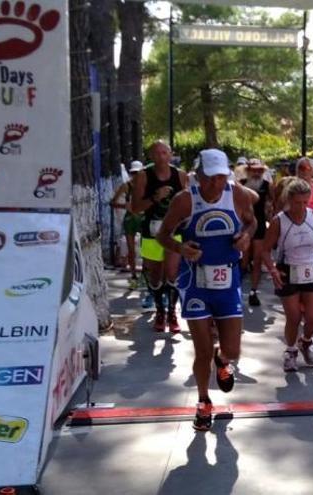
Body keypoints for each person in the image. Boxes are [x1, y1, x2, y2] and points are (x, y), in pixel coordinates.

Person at [156, 148, 257, 432]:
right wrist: (180, 247)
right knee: (201, 350)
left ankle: (223, 361)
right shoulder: (185, 200)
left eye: (221, 177)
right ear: (198, 175)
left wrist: (246, 236)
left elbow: (252, 221)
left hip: (228, 282)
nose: (215, 184)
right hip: (195, 283)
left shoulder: (237, 194)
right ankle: (203, 401)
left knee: (233, 349)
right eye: (210, 178)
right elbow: (162, 234)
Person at [262, 177, 313, 372]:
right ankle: (291, 350)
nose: (301, 207)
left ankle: (306, 341)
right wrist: (273, 269)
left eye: (304, 202)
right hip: (288, 269)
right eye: (296, 202)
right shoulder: (279, 221)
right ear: (288, 200)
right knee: (293, 317)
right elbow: (265, 250)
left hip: (311, 268)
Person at [131, 141, 189, 332]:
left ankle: (172, 312)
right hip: (152, 232)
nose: (162, 157)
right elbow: (135, 208)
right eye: (157, 153)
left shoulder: (180, 175)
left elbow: (189, 205)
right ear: (151, 156)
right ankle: (160, 310)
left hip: (174, 232)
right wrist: (155, 198)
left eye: (165, 152)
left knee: (172, 272)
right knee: (155, 276)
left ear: (171, 154)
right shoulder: (143, 176)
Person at [240, 159, 273, 307]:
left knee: (258, 260)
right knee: (244, 260)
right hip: (244, 225)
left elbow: (274, 202)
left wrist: (272, 220)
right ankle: (237, 289)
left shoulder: (267, 186)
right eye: (254, 170)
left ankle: (253, 291)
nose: (257, 173)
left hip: (259, 225)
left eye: (260, 170)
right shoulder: (240, 184)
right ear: (248, 171)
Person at [110, 160, 145, 288]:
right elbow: (112, 203)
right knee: (131, 250)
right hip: (130, 219)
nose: (135, 176)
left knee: (146, 249)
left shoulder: (147, 186)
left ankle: (145, 275)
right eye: (133, 173)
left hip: (143, 218)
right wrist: (124, 206)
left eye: (138, 173)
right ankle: (134, 275)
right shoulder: (126, 186)